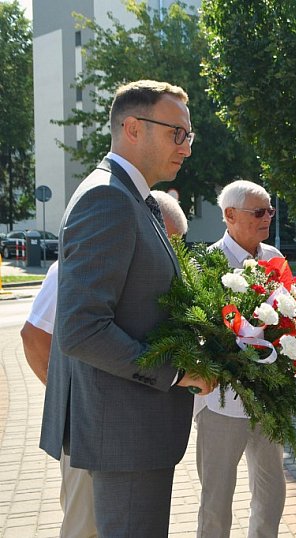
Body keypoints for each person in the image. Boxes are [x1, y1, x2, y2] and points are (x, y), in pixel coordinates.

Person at [39, 79, 215, 538]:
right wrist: (176, 373)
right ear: (133, 128)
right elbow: (81, 329)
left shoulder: (133, 198)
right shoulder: (108, 198)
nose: (187, 147)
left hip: (131, 435)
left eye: (189, 135)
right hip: (123, 437)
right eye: (177, 133)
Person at [20, 192, 187, 538]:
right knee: (84, 527)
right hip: (88, 429)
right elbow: (34, 335)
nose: (171, 254)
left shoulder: (139, 271)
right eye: (167, 241)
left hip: (120, 432)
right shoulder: (78, 263)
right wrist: (72, 399)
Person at [194, 180, 287, 538]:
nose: (267, 218)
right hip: (221, 401)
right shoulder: (208, 263)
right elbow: (197, 331)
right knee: (216, 503)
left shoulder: (273, 257)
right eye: (259, 212)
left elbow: (291, 317)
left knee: (271, 494)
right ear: (230, 215)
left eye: (270, 211)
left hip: (267, 398)